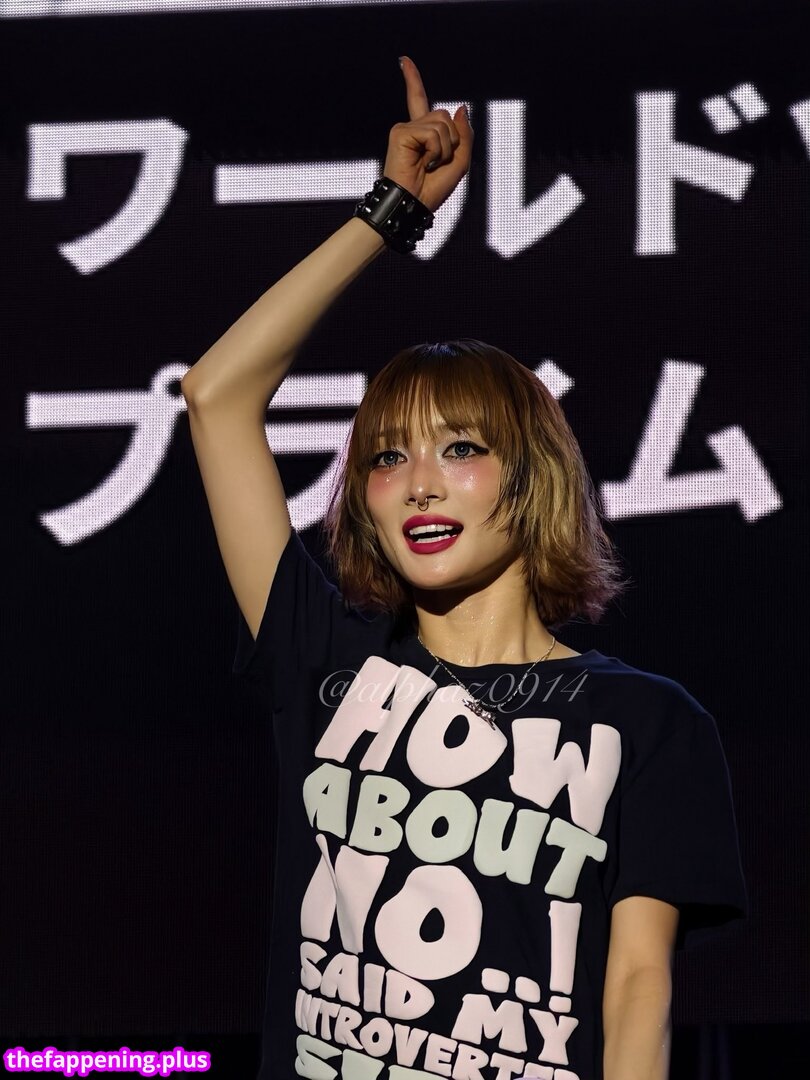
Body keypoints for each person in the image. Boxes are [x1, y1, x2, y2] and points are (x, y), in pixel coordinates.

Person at [181, 56, 746, 1080]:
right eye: (387, 457)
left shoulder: (650, 723)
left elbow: (636, 990)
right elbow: (217, 394)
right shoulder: (328, 660)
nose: (419, 486)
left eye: (461, 449)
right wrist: (391, 211)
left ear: (529, 480)